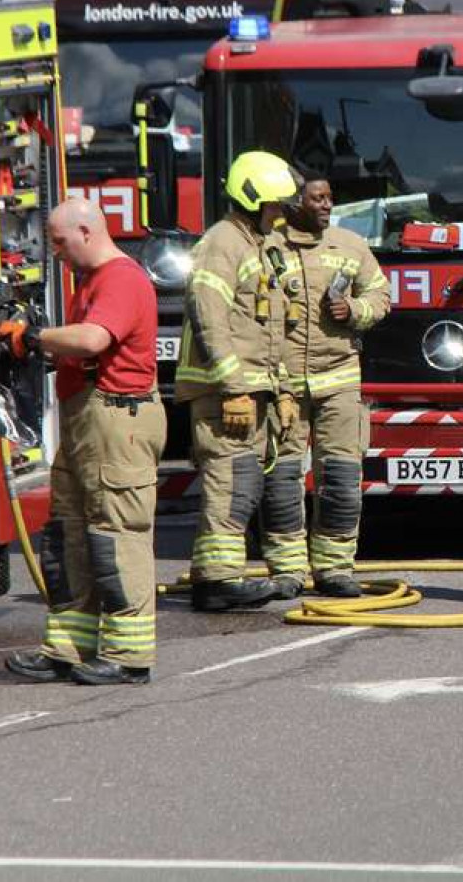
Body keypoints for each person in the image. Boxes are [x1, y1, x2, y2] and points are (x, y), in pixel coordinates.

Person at [2, 197, 166, 685]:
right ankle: (69, 647)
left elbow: (94, 340)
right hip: (88, 421)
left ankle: (128, 655)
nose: (54, 252)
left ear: (88, 232)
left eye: (59, 241)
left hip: (117, 421)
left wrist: (35, 338)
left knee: (116, 534)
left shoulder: (120, 277)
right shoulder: (92, 281)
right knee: (69, 533)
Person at [176, 150, 298, 612]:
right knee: (228, 482)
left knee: (242, 483)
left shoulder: (256, 246)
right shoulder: (222, 243)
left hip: (251, 390)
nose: (281, 214)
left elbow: (267, 327)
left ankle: (222, 577)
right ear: (253, 202)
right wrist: (234, 386)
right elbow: (209, 315)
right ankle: (218, 581)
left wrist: (281, 389)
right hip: (224, 393)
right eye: (275, 206)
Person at [260, 173, 390, 598]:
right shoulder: (268, 247)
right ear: (294, 202)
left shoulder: (350, 245)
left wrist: (353, 309)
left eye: (330, 198)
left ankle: (335, 569)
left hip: (339, 382)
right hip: (284, 386)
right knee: (281, 480)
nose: (326, 205)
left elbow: (381, 297)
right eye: (317, 198)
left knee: (341, 477)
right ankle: (287, 571)